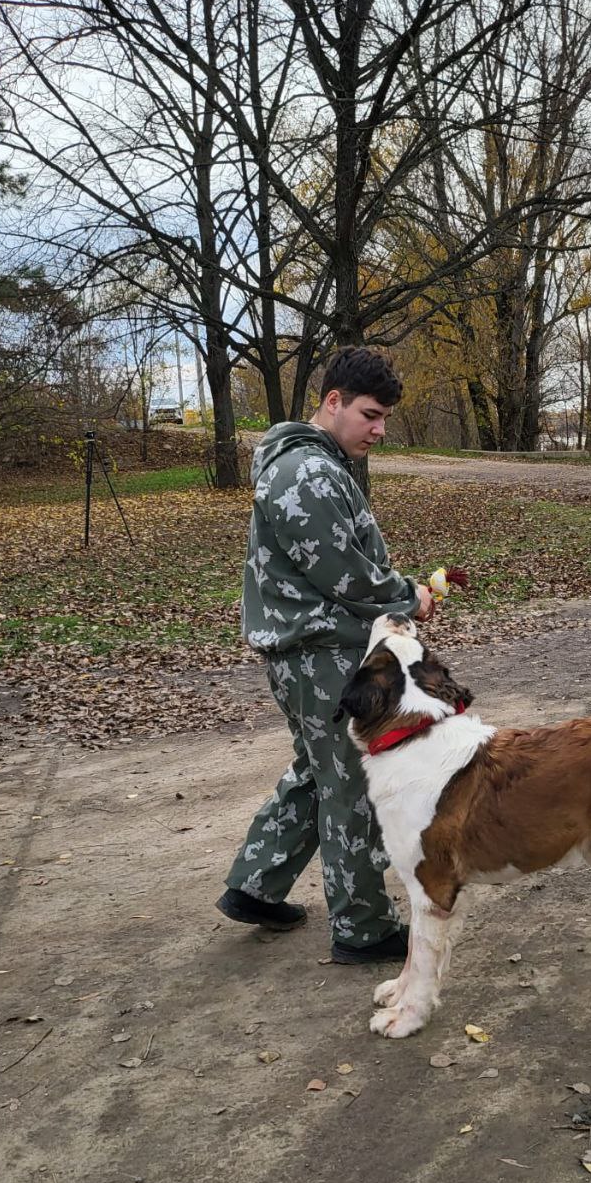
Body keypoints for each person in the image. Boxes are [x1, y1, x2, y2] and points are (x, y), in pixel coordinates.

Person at [216, 346, 434, 963]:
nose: (379, 429)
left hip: (313, 652)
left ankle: (257, 888)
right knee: (351, 785)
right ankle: (363, 928)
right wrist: (409, 597)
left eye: (385, 417)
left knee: (318, 771)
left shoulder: (312, 465)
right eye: (369, 414)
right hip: (320, 657)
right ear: (332, 402)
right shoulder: (308, 474)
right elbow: (347, 577)